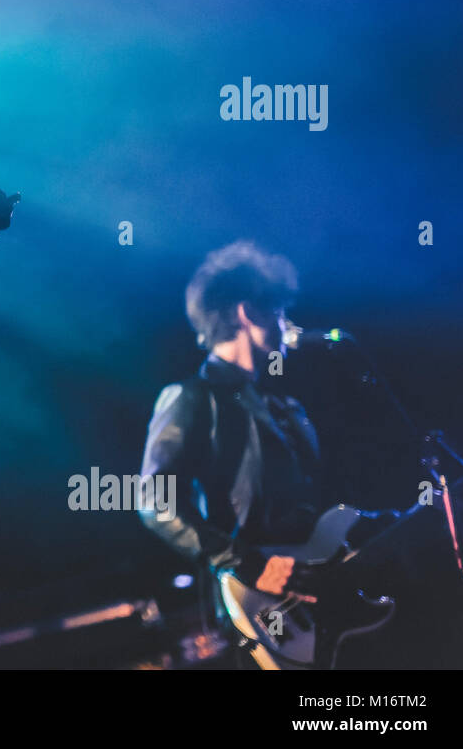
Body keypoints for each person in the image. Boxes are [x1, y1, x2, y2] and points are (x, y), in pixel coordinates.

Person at [137, 242, 323, 644]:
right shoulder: (191, 398)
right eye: (278, 311)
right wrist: (246, 563)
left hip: (315, 589)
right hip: (261, 605)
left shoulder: (282, 406)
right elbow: (155, 500)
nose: (287, 324)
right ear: (248, 312)